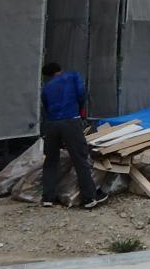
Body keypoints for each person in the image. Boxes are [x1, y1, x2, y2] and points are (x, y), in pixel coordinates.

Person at [40, 62, 107, 209]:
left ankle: (47, 198)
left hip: (51, 124)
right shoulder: (72, 76)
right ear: (60, 69)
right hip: (71, 121)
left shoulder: (46, 87)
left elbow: (45, 106)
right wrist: (80, 108)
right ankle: (89, 198)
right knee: (80, 160)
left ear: (47, 76)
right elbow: (81, 93)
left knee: (50, 161)